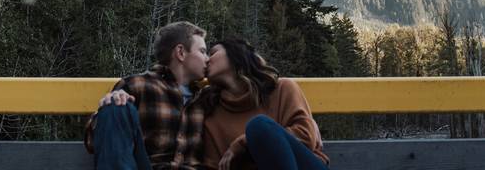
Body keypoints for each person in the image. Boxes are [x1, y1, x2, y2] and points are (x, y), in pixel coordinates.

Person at [85, 21, 210, 170]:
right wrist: (109, 105)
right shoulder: (137, 85)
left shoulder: (206, 97)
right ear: (181, 52)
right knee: (115, 108)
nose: (207, 59)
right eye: (202, 51)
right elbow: (93, 141)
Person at [202, 38, 329, 170]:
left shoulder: (283, 89)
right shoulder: (211, 114)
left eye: (213, 53)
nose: (206, 60)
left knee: (259, 125)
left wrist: (243, 143)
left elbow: (306, 137)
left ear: (236, 54)